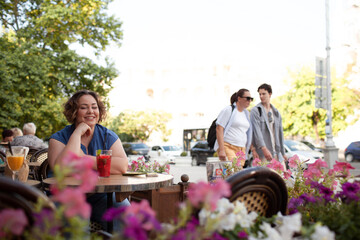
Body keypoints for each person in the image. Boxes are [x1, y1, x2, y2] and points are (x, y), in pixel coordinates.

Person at [48, 89, 129, 231]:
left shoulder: (107, 135)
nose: (90, 111)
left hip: (100, 195)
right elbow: (63, 168)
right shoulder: (58, 138)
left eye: (94, 107)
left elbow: (122, 166)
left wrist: (82, 158)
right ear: (74, 112)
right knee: (78, 225)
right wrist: (78, 132)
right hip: (67, 195)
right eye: (83, 107)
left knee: (126, 217)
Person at [214, 89, 253, 166]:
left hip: (241, 149)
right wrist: (221, 150)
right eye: (247, 98)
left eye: (251, 99)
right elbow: (219, 129)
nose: (249, 101)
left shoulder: (246, 113)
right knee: (233, 170)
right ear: (239, 98)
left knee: (237, 174)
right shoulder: (228, 110)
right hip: (228, 146)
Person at [251, 83, 287, 164]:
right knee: (264, 176)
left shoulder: (276, 112)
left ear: (270, 94)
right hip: (263, 154)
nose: (261, 96)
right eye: (260, 94)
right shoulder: (256, 111)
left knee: (281, 176)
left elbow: (280, 134)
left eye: (264, 94)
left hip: (277, 153)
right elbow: (257, 132)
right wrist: (264, 148)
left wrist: (283, 153)